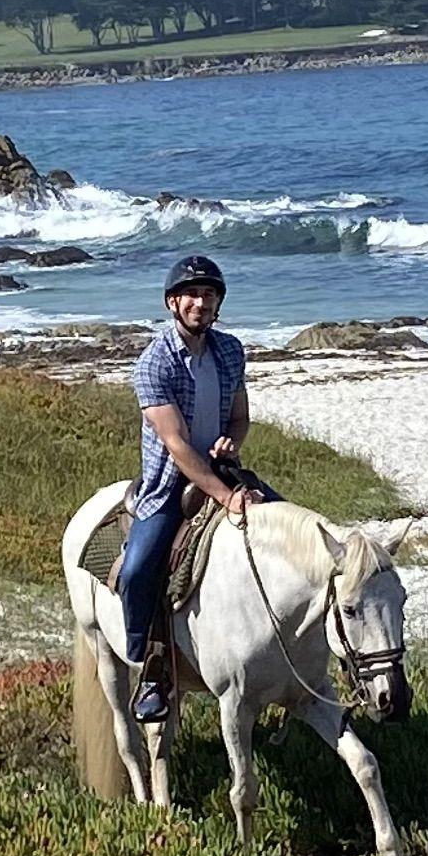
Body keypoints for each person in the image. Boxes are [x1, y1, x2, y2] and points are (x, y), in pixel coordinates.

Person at [119, 252, 267, 721]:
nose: (200, 303)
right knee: (139, 568)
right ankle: (149, 669)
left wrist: (231, 442)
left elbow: (240, 417)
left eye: (208, 294)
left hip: (225, 472)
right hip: (170, 486)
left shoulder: (230, 350)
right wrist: (225, 498)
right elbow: (178, 446)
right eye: (191, 295)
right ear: (172, 303)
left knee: (295, 536)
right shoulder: (153, 364)